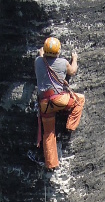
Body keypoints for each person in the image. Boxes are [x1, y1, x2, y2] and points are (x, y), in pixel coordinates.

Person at [32, 36, 85, 170]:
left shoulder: (38, 61)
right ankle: (70, 126)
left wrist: (42, 53)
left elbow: (42, 57)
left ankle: (51, 164)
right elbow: (72, 71)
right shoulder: (62, 62)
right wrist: (75, 59)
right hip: (59, 100)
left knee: (48, 133)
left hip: (44, 104)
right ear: (58, 51)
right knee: (80, 99)